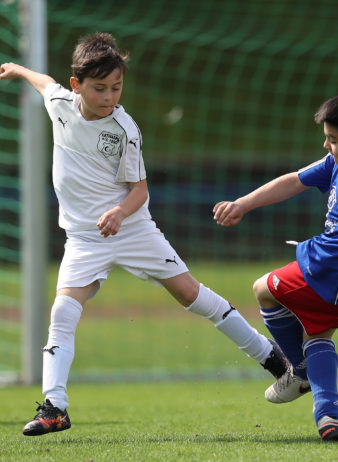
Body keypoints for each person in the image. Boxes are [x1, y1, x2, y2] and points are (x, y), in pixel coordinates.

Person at [0, 32, 288, 436]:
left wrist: (119, 212)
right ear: (76, 86)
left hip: (132, 230)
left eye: (116, 87)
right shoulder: (60, 105)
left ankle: (274, 360)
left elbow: (140, 190)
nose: (109, 96)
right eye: (99, 88)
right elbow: (44, 82)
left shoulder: (124, 130)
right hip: (83, 239)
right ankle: (55, 407)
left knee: (191, 295)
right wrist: (17, 69)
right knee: (63, 311)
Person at [213, 90, 338, 441]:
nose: (326, 146)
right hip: (337, 272)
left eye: (332, 140)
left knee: (264, 289)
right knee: (316, 334)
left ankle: (300, 371)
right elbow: (294, 180)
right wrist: (244, 204)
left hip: (331, 273)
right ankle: (328, 418)